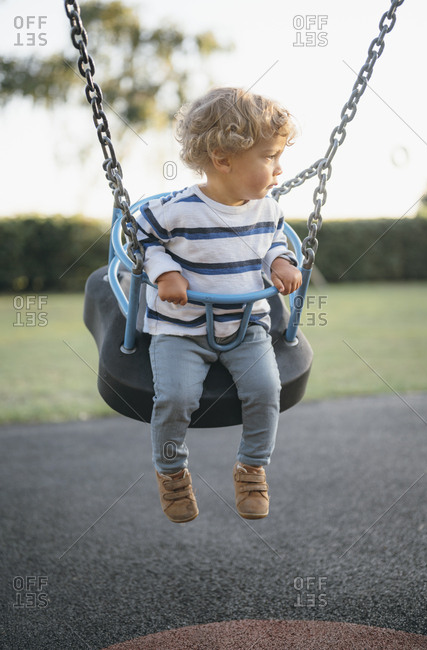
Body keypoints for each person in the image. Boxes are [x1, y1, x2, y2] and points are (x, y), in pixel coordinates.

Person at [136, 87, 302, 524]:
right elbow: (140, 239)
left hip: (246, 325)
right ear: (223, 158)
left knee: (267, 389)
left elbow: (273, 244)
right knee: (175, 397)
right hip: (181, 327)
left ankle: (252, 468)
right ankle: (171, 472)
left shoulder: (268, 209)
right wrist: (164, 273)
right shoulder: (177, 210)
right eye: (269, 156)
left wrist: (279, 261)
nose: (279, 168)